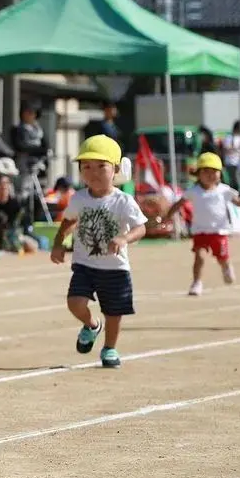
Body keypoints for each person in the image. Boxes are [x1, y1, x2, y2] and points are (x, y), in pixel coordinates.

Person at [50, 135, 147, 369]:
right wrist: (59, 243)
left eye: (100, 166)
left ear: (115, 169)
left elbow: (140, 227)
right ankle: (92, 325)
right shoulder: (80, 198)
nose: (93, 172)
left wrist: (124, 238)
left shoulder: (123, 201)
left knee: (114, 312)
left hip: (115, 267)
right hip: (85, 265)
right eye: (86, 167)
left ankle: (109, 347)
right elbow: (68, 221)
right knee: (75, 302)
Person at [167, 152, 240, 297]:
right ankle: (197, 282)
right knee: (199, 257)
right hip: (200, 231)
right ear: (198, 174)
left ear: (220, 174)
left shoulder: (224, 190)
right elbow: (179, 203)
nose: (210, 175)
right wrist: (168, 215)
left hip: (219, 232)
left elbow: (239, 202)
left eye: (214, 172)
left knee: (222, 257)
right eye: (206, 171)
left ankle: (226, 266)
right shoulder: (193, 191)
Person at [222, 120, 240, 192]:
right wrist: (235, 148)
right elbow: (227, 148)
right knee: (233, 180)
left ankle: (239, 193)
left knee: (239, 180)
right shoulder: (229, 137)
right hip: (230, 162)